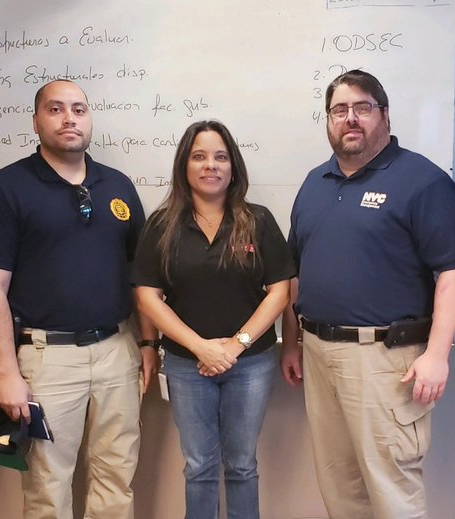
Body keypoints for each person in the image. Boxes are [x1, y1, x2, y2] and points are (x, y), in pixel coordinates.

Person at [279, 69, 455, 518]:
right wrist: (291, 341)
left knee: (392, 491)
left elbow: (454, 269)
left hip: (385, 360)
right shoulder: (314, 183)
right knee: (339, 487)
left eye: (362, 108)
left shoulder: (422, 181)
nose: (350, 118)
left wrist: (437, 354)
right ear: (328, 120)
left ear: (384, 115)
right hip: (319, 355)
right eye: (339, 110)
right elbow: (296, 272)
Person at [0, 79, 156, 519]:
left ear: (90, 119)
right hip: (47, 358)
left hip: (117, 349)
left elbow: (141, 277)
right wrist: (7, 373)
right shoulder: (4, 189)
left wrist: (147, 343)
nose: (69, 118)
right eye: (55, 109)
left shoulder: (118, 186)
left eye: (79, 109)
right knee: (48, 487)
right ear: (35, 121)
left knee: (116, 479)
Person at [132, 120, 294, 519]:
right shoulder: (162, 225)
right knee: (199, 467)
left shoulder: (258, 220)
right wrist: (200, 347)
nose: (211, 165)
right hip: (187, 365)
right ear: (184, 166)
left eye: (221, 157)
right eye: (199, 157)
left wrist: (235, 346)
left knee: (242, 466)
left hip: (250, 363)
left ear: (233, 166)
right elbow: (147, 297)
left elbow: (280, 291)